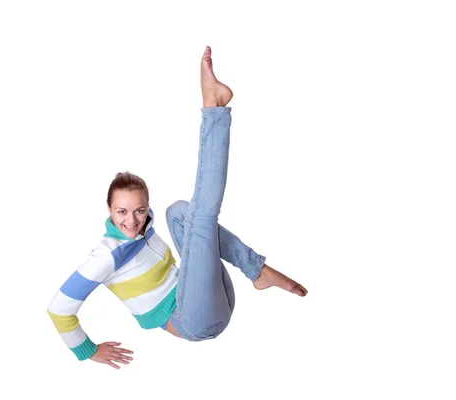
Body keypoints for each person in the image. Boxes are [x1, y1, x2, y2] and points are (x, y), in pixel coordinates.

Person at [46, 46, 307, 369]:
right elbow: (59, 308)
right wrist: (87, 350)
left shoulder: (147, 232)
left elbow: (170, 223)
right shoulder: (106, 256)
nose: (131, 220)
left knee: (179, 211)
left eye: (139, 211)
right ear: (109, 210)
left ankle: (256, 270)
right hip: (192, 320)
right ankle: (213, 108)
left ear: (145, 208)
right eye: (122, 212)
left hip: (214, 293)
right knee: (201, 217)